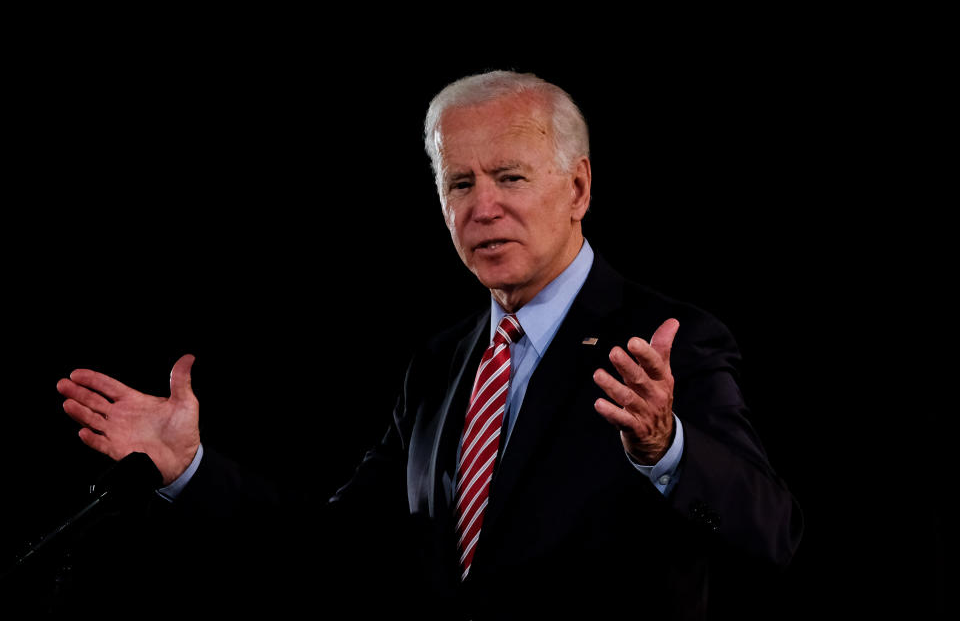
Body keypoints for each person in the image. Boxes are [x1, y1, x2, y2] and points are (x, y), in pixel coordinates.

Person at [54, 70, 802, 619]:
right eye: (458, 183)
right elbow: (335, 550)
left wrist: (664, 448)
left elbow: (772, 530)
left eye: (509, 176)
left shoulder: (666, 345)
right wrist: (191, 469)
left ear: (577, 189)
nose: (483, 208)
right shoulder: (442, 364)